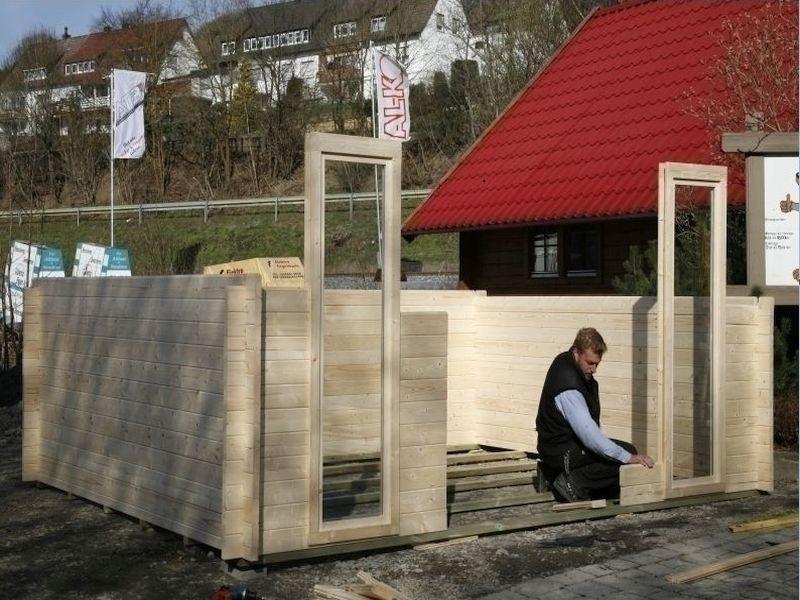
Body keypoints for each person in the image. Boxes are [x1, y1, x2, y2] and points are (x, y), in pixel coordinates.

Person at [535, 327, 654, 503]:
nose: (594, 369)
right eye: (590, 362)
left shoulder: (567, 362)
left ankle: (552, 474)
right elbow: (592, 438)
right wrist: (630, 459)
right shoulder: (569, 387)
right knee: (621, 462)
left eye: (597, 363)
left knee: (627, 451)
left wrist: (628, 455)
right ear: (576, 352)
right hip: (560, 452)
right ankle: (572, 485)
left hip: (562, 447)